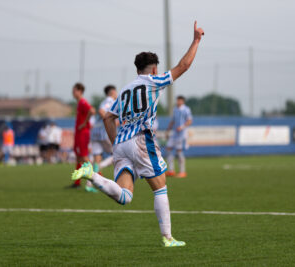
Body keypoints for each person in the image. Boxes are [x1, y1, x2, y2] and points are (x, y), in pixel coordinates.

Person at [72, 21, 204, 247]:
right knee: (160, 186)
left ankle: (92, 175)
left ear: (136, 70)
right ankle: (168, 238)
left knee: (125, 196)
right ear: (154, 69)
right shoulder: (154, 82)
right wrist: (196, 40)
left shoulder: (123, 90)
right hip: (141, 142)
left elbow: (107, 118)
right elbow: (183, 66)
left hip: (121, 144)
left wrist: (116, 144)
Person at [67, 82, 96, 189]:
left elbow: (92, 110)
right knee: (79, 157)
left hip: (83, 133)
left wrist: (84, 124)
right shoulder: (79, 103)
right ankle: (77, 182)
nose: (73, 93)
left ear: (80, 91)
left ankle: (95, 179)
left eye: (74, 91)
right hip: (79, 133)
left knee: (84, 156)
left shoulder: (83, 102)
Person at [89, 85, 118, 179]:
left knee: (97, 158)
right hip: (103, 132)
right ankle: (101, 167)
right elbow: (101, 111)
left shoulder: (104, 101)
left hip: (95, 133)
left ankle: (89, 185)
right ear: (113, 92)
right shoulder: (110, 101)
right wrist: (109, 121)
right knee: (118, 153)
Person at [165, 96, 193, 178]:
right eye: (177, 100)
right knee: (168, 149)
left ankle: (182, 172)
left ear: (183, 101)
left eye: (179, 100)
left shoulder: (186, 109)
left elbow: (190, 121)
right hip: (174, 133)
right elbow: (173, 120)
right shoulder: (175, 109)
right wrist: (168, 130)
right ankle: (171, 170)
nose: (178, 102)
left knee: (179, 151)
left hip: (181, 133)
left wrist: (182, 127)